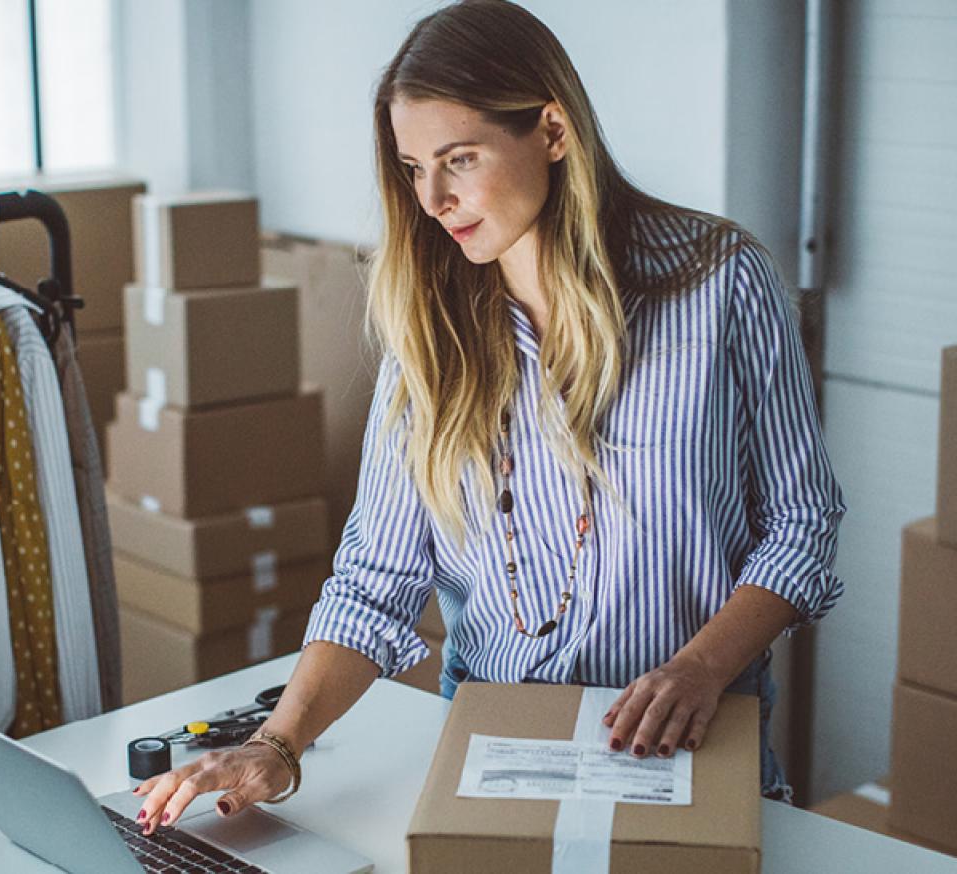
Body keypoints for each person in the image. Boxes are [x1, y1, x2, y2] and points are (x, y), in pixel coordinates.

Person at [133, 0, 845, 833]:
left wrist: (699, 668)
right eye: (411, 168)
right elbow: (376, 582)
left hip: (690, 738)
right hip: (496, 746)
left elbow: (802, 524)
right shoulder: (429, 332)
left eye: (458, 159)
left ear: (551, 130)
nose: (433, 197)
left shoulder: (722, 282)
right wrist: (278, 746)